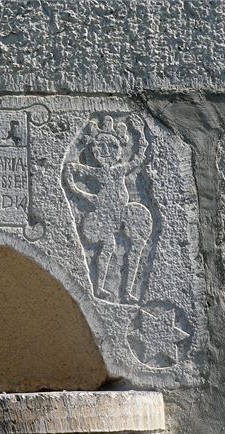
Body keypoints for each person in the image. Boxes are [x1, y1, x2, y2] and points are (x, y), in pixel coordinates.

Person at [63, 115, 152, 302]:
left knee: (136, 245)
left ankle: (127, 292)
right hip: (103, 215)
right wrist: (86, 195)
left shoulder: (118, 170)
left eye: (111, 147)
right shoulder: (97, 172)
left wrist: (140, 133)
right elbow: (70, 169)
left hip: (123, 211)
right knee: (109, 246)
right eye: (100, 147)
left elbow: (139, 159)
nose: (105, 151)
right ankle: (100, 288)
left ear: (119, 151)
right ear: (94, 151)